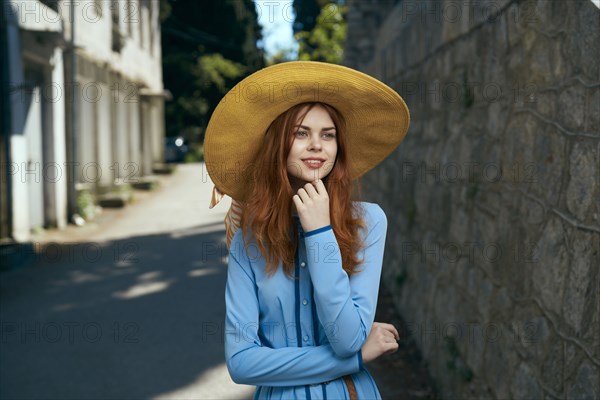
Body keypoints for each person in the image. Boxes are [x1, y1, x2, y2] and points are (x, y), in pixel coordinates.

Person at [205, 61, 410, 400]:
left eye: (327, 135)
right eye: (301, 133)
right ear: (277, 145)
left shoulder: (369, 222)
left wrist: (319, 233)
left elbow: (346, 336)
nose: (317, 145)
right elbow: (242, 363)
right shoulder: (248, 240)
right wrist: (354, 358)